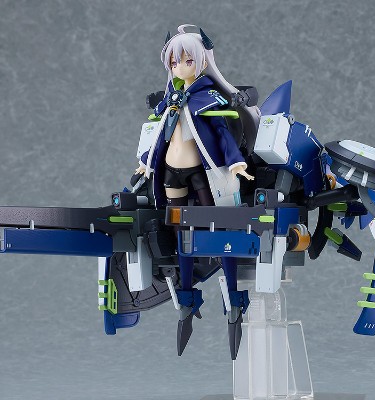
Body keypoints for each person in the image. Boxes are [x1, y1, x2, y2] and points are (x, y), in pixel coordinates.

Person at [135, 25, 259, 359]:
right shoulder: (171, 99)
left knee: (221, 231)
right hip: (171, 173)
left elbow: (222, 135)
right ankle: (187, 297)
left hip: (202, 173)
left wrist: (234, 163)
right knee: (182, 236)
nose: (180, 67)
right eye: (175, 62)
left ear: (201, 61)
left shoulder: (207, 97)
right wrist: (146, 163)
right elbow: (160, 135)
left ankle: (233, 299)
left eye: (187, 61)